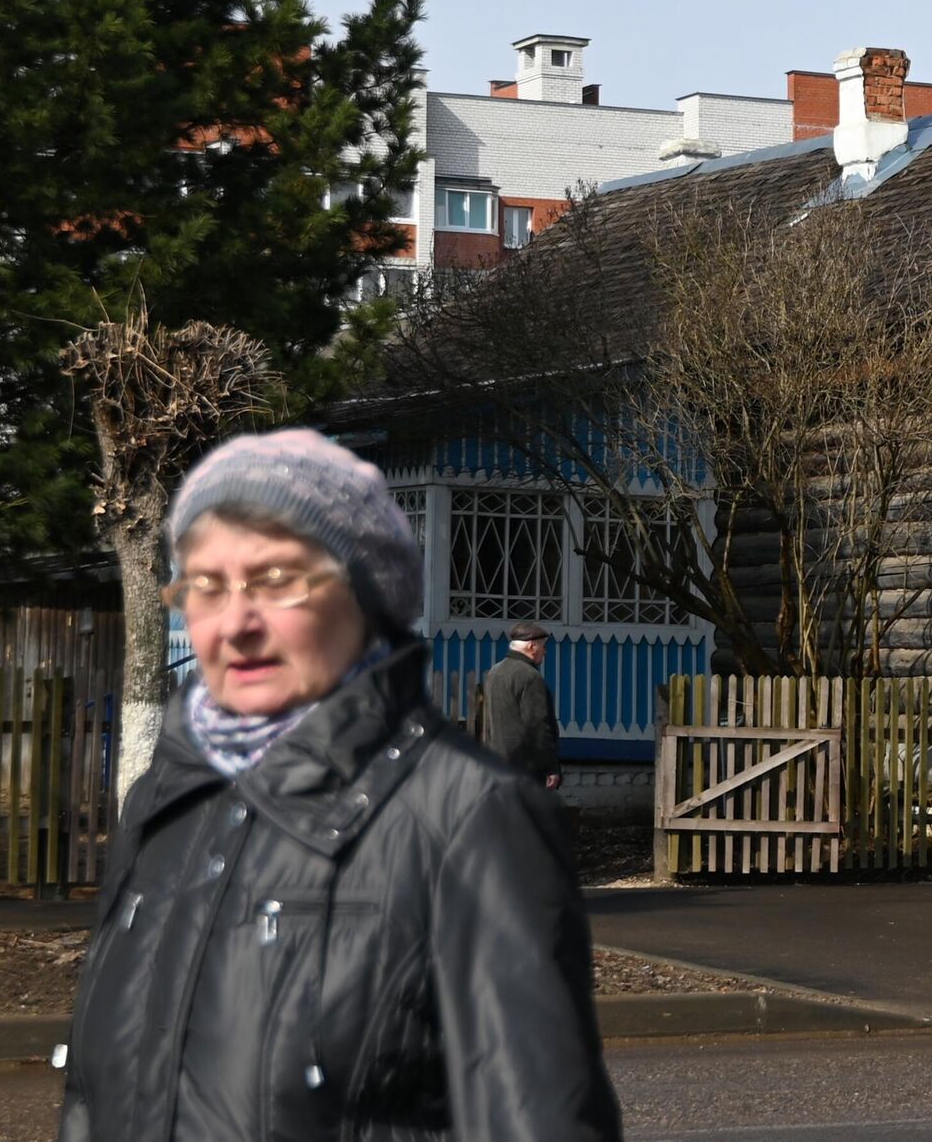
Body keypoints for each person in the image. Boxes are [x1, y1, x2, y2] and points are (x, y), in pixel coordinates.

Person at [56, 429, 622, 1142]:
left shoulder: (469, 816)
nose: (235, 622)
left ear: (367, 598)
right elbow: (89, 1099)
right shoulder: (162, 803)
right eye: (206, 583)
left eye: (276, 580)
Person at [484, 621, 563, 789]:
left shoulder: (494, 672)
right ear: (532, 646)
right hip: (526, 768)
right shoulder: (530, 677)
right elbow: (537, 726)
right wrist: (550, 767)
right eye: (543, 647)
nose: (545, 652)